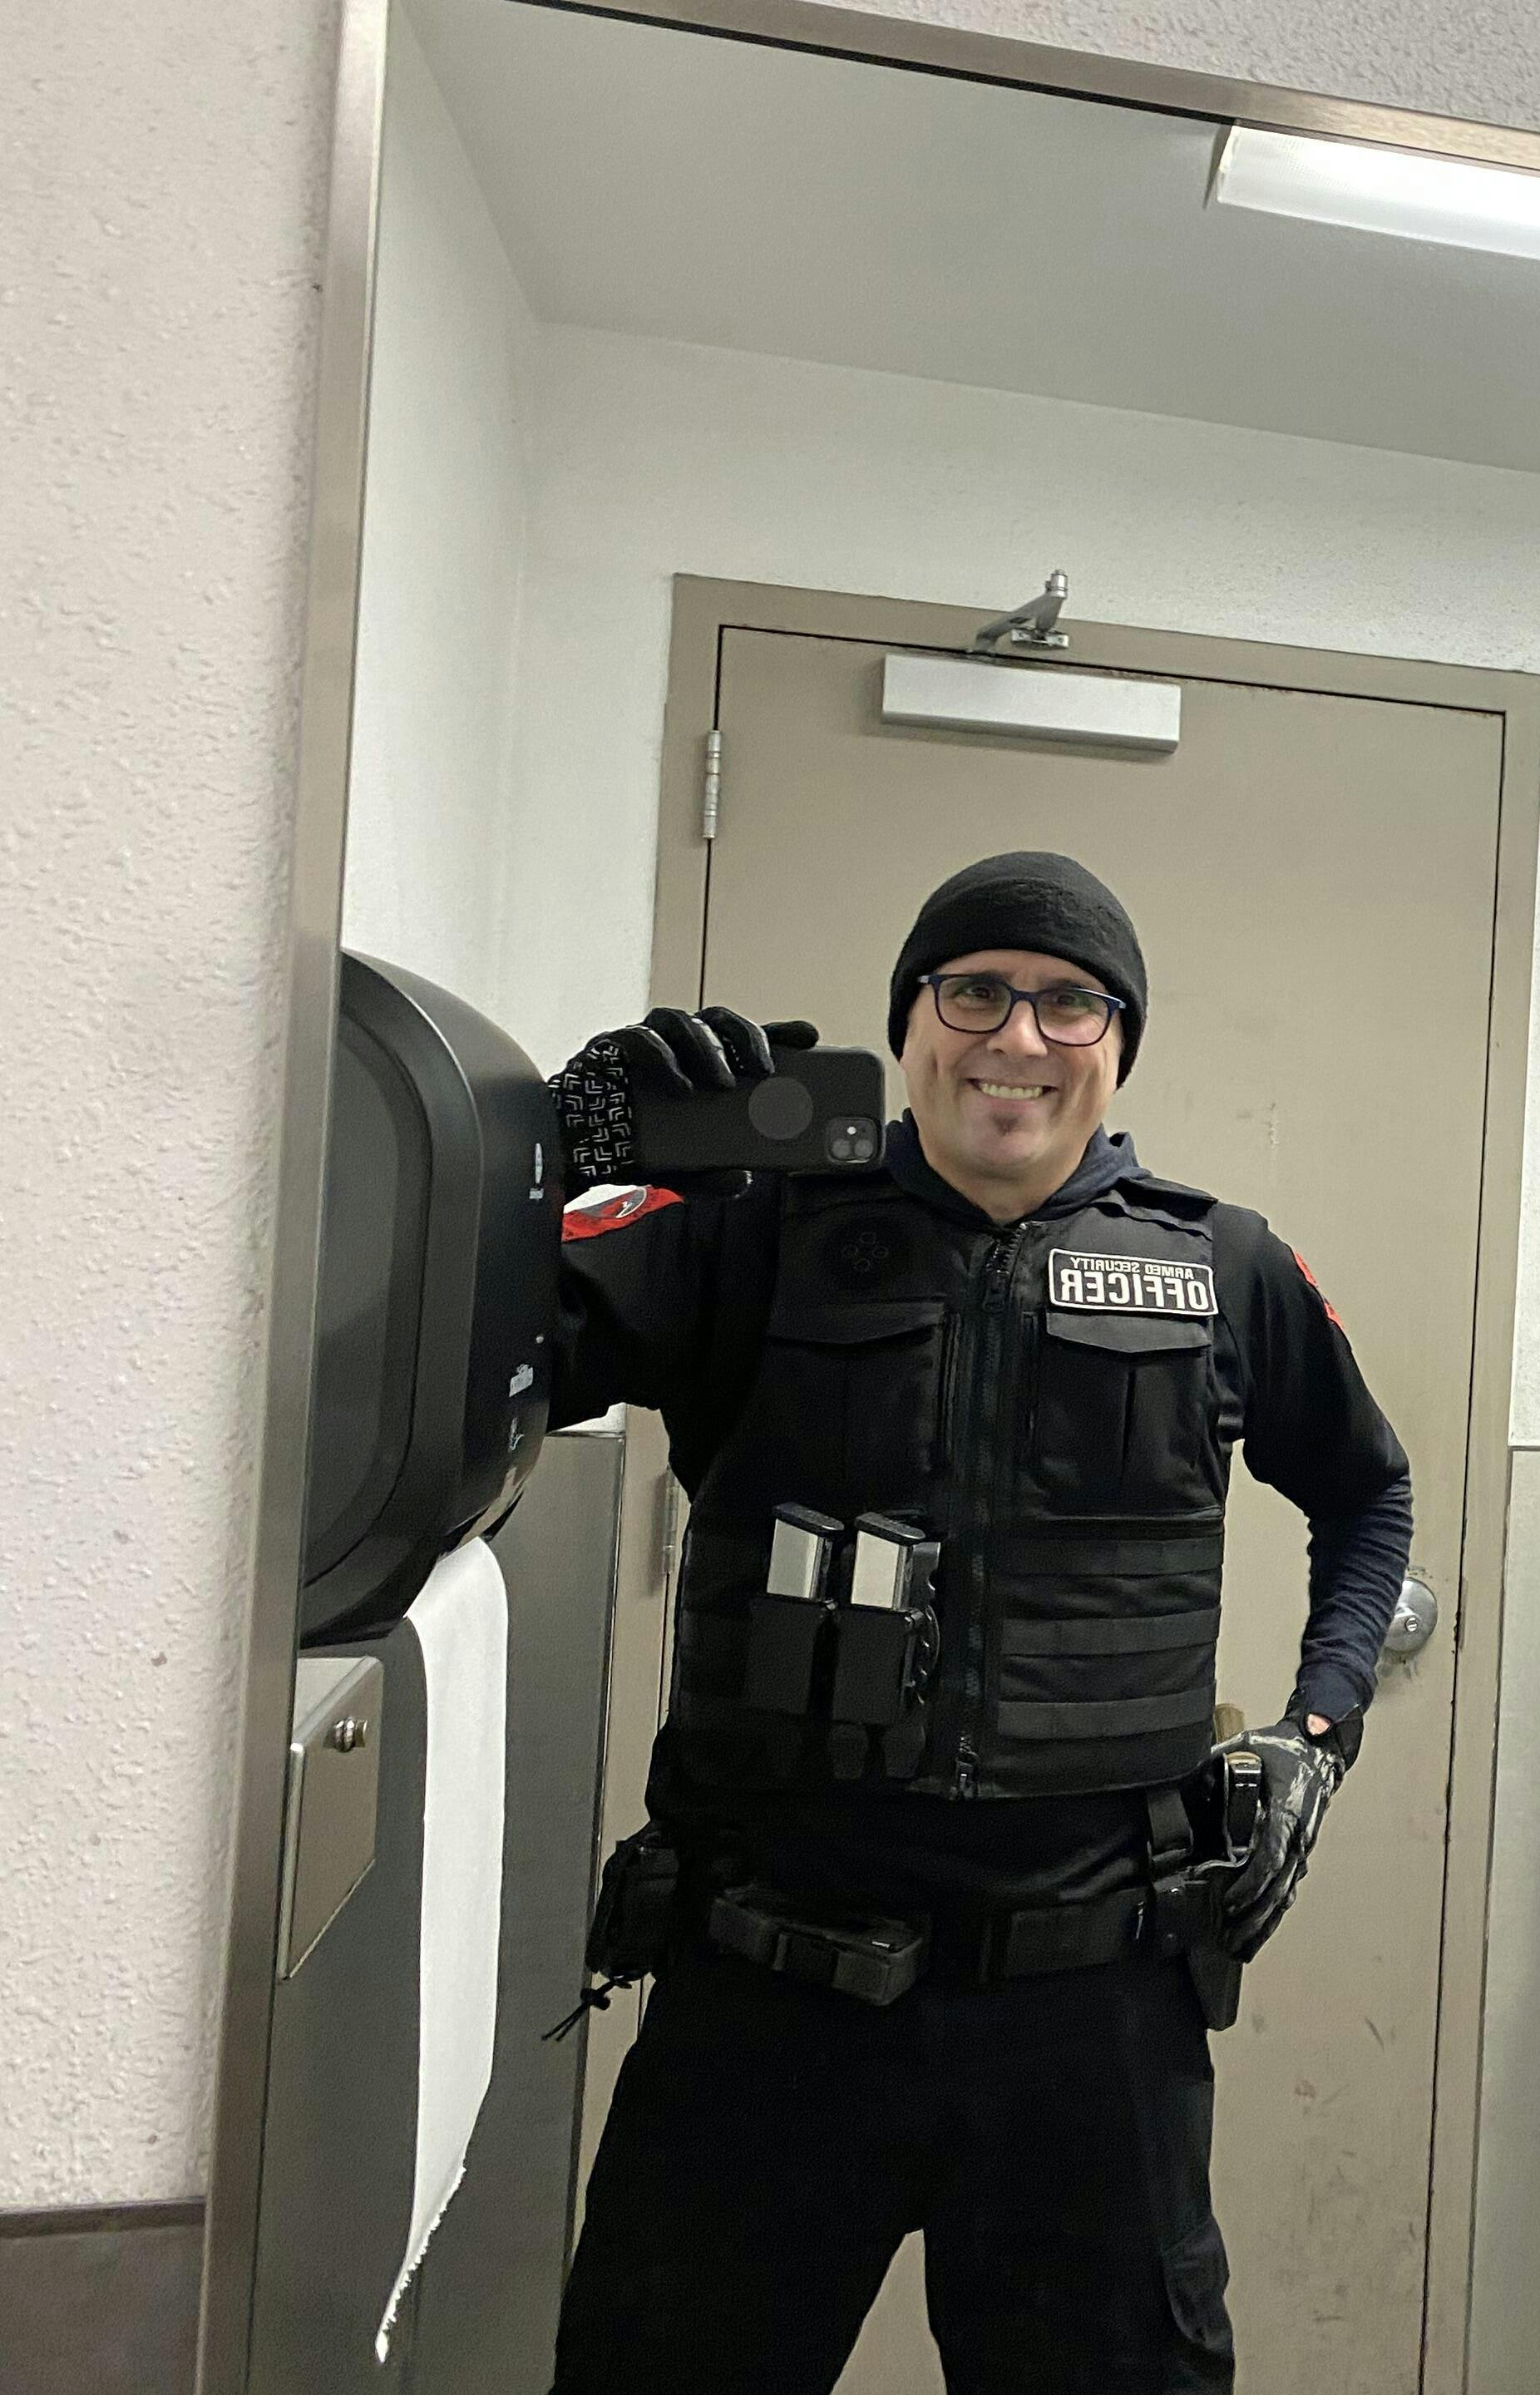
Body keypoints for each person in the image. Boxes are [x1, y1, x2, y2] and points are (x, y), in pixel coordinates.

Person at [541, 848, 1412, 2394]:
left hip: (1093, 2027)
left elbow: (1368, 1496)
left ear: (1120, 1043)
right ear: (909, 1023)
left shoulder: (1223, 1266)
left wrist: (1316, 1733)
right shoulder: (755, 1233)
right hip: (768, 2009)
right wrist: (558, 1153)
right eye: (975, 993)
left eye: (1071, 1003)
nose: (1018, 1038)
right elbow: (493, 1356)